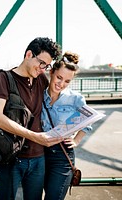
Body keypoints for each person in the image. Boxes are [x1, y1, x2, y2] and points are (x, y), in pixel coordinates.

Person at [0, 37, 62, 200]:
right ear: (29, 54)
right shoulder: (4, 78)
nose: (43, 69)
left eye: (47, 66)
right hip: (11, 159)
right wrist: (34, 136)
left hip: (38, 158)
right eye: (42, 63)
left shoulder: (41, 79)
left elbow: (55, 103)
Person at [41, 52, 92, 200]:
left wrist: (76, 140)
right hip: (39, 154)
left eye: (67, 81)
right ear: (51, 72)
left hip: (62, 156)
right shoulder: (39, 95)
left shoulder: (75, 99)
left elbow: (88, 121)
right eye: (59, 77)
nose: (61, 84)